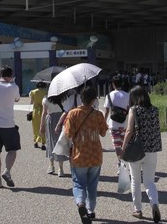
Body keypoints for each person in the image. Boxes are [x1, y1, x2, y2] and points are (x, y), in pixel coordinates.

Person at [64, 86, 108, 224]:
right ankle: (91, 210)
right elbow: (103, 132)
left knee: (78, 183)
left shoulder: (72, 114)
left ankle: (80, 203)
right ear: (94, 100)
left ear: (81, 99)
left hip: (79, 154)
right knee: (92, 185)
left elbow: (68, 134)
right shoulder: (98, 114)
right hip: (95, 154)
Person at [120, 85, 162, 223]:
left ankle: (137, 209)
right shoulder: (155, 110)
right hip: (152, 150)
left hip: (136, 150)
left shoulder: (134, 110)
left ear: (134, 97)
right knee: (149, 182)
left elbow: (129, 131)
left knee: (135, 181)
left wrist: (123, 147)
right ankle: (154, 203)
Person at [0, 65, 21, 188]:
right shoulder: (14, 87)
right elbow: (17, 99)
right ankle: (7, 171)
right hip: (8, 125)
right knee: (12, 150)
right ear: (11, 76)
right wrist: (12, 83)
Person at [41, 90, 75, 177]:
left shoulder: (46, 99)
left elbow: (44, 113)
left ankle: (51, 165)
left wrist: (42, 125)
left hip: (51, 119)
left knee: (50, 142)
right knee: (61, 142)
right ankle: (61, 168)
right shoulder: (65, 97)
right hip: (62, 119)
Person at [103, 75, 130, 170]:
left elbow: (106, 111)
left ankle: (120, 163)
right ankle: (122, 162)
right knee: (123, 144)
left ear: (113, 84)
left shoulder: (109, 95)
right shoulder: (127, 95)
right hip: (124, 124)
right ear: (122, 83)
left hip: (113, 124)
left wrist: (104, 122)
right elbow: (128, 110)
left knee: (117, 146)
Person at [29, 81, 47, 149]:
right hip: (43, 110)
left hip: (35, 111)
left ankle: (35, 142)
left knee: (35, 126)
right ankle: (43, 143)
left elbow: (31, 102)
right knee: (42, 126)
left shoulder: (33, 92)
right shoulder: (45, 92)